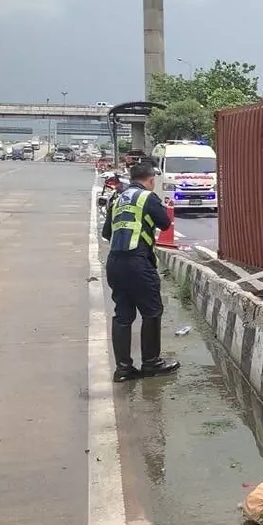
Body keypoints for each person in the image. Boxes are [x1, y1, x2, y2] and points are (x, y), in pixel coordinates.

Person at [101, 159, 181, 382]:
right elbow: (164, 223)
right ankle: (151, 363)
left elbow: (107, 232)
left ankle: (123, 369)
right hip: (138, 262)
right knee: (152, 311)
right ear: (151, 180)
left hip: (115, 263)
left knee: (123, 315)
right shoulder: (147, 197)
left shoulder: (117, 198)